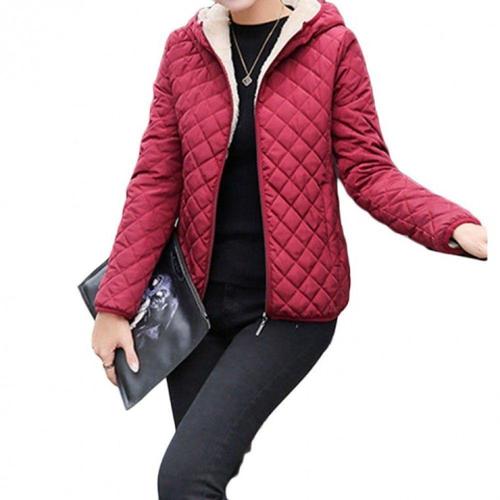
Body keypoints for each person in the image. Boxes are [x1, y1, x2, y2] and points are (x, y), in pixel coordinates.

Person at [90, 0, 488, 498]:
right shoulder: (184, 50)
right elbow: (156, 182)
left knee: (184, 479)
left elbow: (368, 170)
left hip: (290, 311)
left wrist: (450, 223)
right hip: (195, 311)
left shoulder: (331, 46)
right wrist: (115, 304)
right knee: (194, 486)